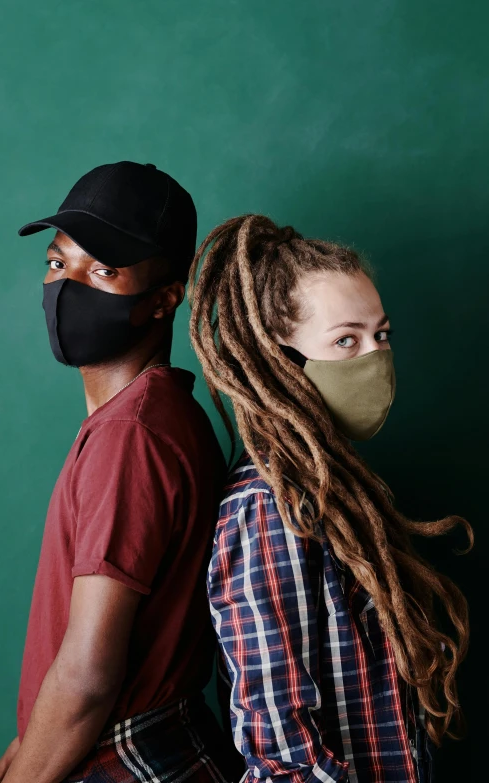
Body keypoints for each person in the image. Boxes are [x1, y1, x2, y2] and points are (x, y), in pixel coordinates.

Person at [188, 214, 472, 783]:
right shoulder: (269, 506)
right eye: (346, 340)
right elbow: (280, 750)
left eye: (380, 335)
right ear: (280, 358)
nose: (373, 356)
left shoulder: (342, 489)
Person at [0, 162, 238, 783]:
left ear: (165, 298)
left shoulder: (132, 437)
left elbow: (88, 677)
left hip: (120, 761)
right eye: (57, 263)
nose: (66, 285)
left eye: (102, 270)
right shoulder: (155, 414)